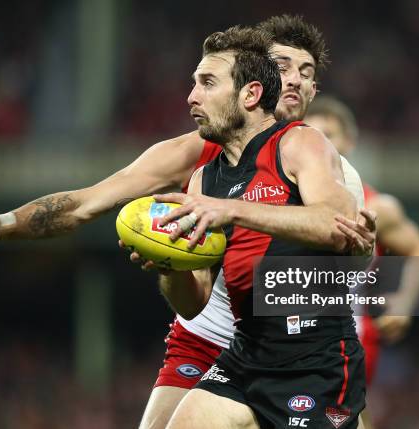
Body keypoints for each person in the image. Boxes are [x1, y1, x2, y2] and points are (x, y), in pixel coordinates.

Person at [0, 15, 375, 429]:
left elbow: (344, 241)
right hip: (221, 337)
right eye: (283, 65)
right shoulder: (202, 165)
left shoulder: (314, 152)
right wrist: (171, 264)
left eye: (306, 70)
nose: (294, 78)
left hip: (307, 345)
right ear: (260, 84)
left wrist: (359, 257)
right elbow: (89, 203)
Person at [141, 25, 366, 429]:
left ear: (250, 94)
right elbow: (194, 302)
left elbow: (339, 225)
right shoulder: (202, 181)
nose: (192, 97)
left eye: (207, 83)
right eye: (194, 84)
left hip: (317, 361)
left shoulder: (300, 143)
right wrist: (168, 265)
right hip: (246, 356)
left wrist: (232, 210)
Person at [306, 96, 419, 428]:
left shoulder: (377, 206)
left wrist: (403, 303)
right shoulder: (278, 201)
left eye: (329, 135)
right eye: (310, 134)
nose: (320, 143)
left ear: (349, 141)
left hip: (349, 339)